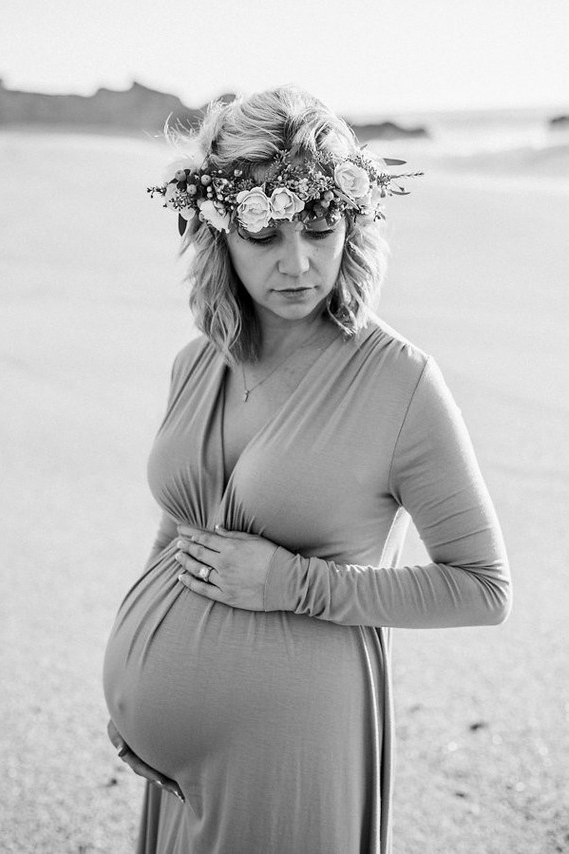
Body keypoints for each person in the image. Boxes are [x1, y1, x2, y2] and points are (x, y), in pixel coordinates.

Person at [103, 86, 511, 854]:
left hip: (294, 748)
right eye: (265, 234)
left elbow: (484, 590)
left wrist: (296, 584)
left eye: (321, 230)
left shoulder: (400, 382)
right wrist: (134, 696)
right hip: (171, 771)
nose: (300, 264)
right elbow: (180, 534)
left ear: (351, 224)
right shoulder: (195, 363)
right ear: (218, 233)